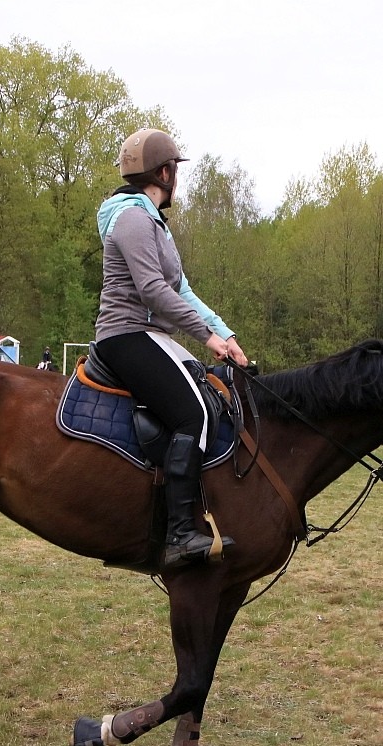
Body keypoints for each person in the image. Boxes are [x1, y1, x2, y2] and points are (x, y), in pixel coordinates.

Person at [94, 128, 249, 568]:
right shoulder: (133, 219)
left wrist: (226, 333)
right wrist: (206, 337)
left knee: (212, 396)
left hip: (153, 336)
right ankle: (180, 533)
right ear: (165, 172)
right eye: (175, 170)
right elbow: (152, 291)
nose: (176, 178)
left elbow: (182, 290)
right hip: (126, 335)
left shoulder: (156, 224)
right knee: (194, 414)